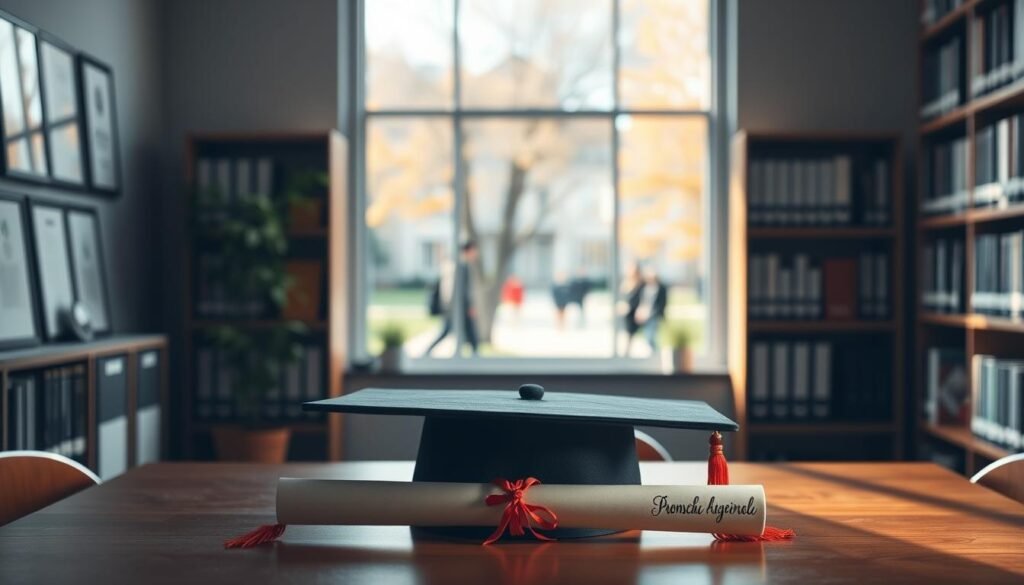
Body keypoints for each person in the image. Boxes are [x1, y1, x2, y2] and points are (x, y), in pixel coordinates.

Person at [425, 240, 480, 356]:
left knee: (453, 331)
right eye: (474, 251)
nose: (476, 254)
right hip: (459, 308)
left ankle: (475, 353)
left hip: (453, 308)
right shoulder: (462, 267)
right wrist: (469, 307)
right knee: (464, 332)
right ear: (469, 251)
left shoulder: (453, 265)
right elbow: (463, 291)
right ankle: (475, 353)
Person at [631, 266, 667, 353]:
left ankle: (655, 354)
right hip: (643, 315)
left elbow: (661, 304)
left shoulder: (661, 288)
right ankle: (654, 353)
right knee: (647, 337)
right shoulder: (644, 287)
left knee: (650, 336)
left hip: (654, 316)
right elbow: (641, 301)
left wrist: (651, 314)